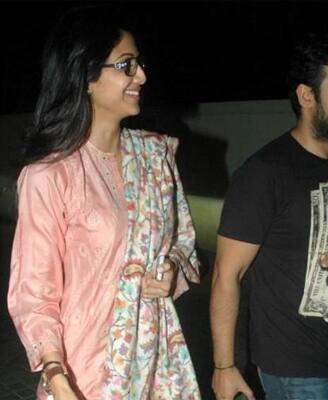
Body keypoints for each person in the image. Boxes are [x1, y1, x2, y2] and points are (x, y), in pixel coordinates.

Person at [8, 5, 201, 400]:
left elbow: (185, 244)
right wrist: (55, 371)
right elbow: (34, 291)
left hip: (156, 365)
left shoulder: (156, 156)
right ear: (85, 76)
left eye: (140, 64)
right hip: (86, 372)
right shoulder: (50, 174)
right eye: (126, 65)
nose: (142, 76)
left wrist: (171, 269)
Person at [210, 30, 328, 400]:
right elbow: (226, 274)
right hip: (290, 364)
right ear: (306, 95)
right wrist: (224, 366)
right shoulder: (266, 172)